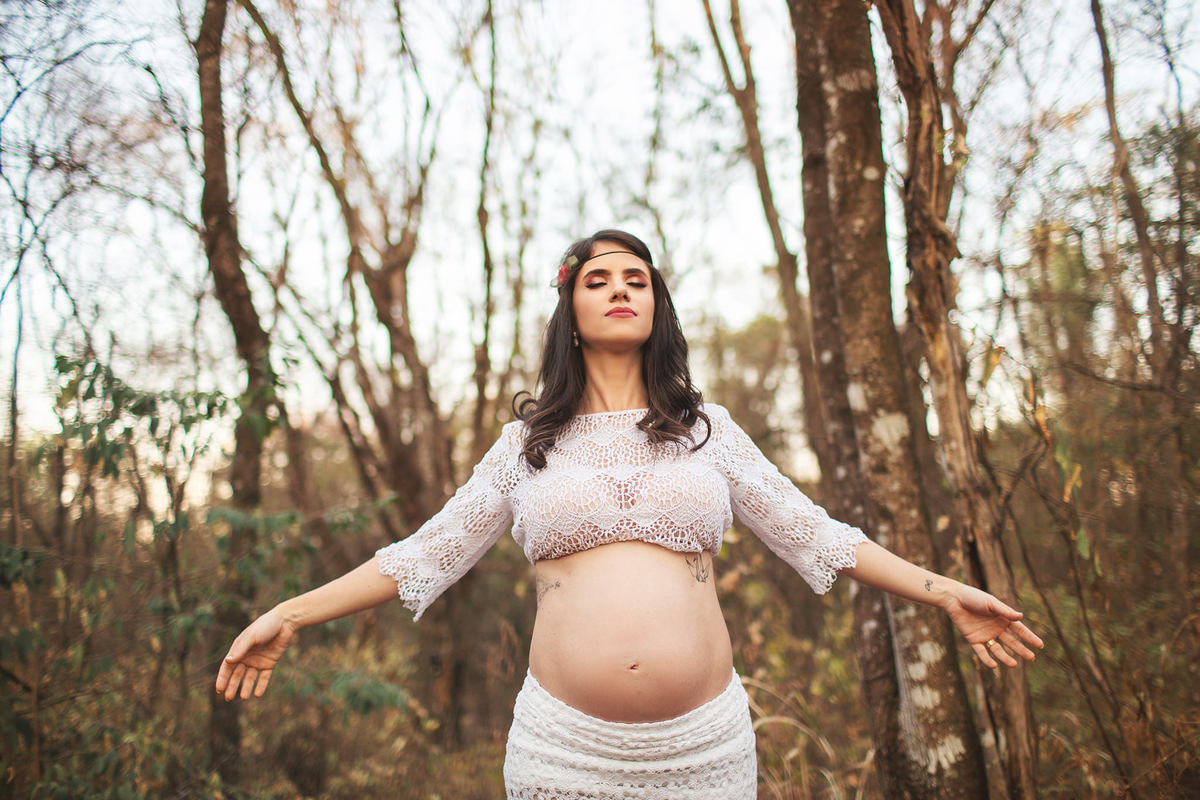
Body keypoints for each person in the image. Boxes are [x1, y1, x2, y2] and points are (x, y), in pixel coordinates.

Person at [215, 229, 1043, 799]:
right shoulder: (526, 446)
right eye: (598, 280)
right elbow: (422, 555)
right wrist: (290, 613)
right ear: (570, 311)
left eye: (636, 280)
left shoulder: (707, 432)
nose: (619, 291)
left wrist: (941, 592)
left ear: (657, 308)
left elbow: (815, 533)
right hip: (562, 749)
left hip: (706, 747)